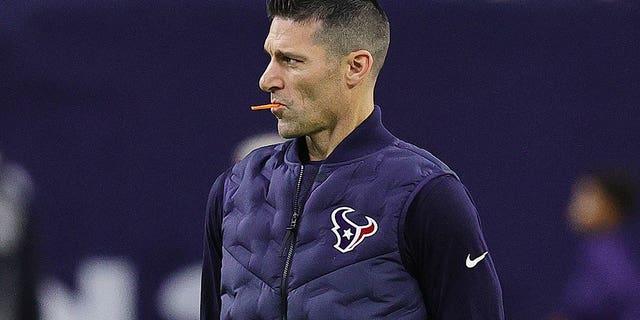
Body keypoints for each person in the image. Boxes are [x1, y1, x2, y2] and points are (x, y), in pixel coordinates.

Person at [200, 1, 504, 319]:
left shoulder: (427, 195)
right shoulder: (233, 190)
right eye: (271, 57)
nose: (267, 80)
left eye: (290, 60)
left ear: (355, 67)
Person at [551, 168, 640, 320]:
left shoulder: (609, 258)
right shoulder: (593, 253)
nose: (577, 205)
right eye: (577, 196)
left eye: (588, 196)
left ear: (611, 206)